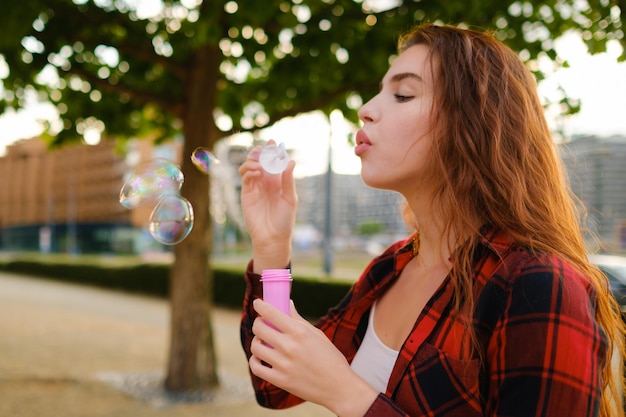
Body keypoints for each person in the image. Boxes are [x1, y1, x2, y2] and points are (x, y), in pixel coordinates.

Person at [238, 23, 626, 417]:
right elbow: (273, 383)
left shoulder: (538, 286)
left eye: (403, 94)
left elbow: (343, 393)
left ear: (474, 123)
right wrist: (271, 246)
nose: (367, 109)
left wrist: (348, 395)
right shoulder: (391, 267)